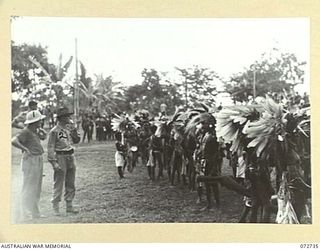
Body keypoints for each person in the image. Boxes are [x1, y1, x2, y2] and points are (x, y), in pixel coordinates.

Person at [11, 110, 46, 221]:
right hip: (31, 160)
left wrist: (42, 132)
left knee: (36, 187)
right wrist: (25, 149)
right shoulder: (25, 131)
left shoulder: (34, 131)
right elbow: (14, 141)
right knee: (29, 187)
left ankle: (35, 212)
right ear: (34, 121)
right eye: (39, 120)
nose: (41, 121)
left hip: (38, 159)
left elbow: (43, 137)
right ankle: (25, 213)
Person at [47, 107, 80, 216]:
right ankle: (55, 206)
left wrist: (74, 130)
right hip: (60, 156)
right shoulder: (54, 131)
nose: (69, 118)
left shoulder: (68, 129)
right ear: (61, 118)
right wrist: (53, 162)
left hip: (70, 155)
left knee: (71, 182)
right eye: (67, 116)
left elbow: (76, 141)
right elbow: (50, 147)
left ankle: (69, 205)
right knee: (59, 182)